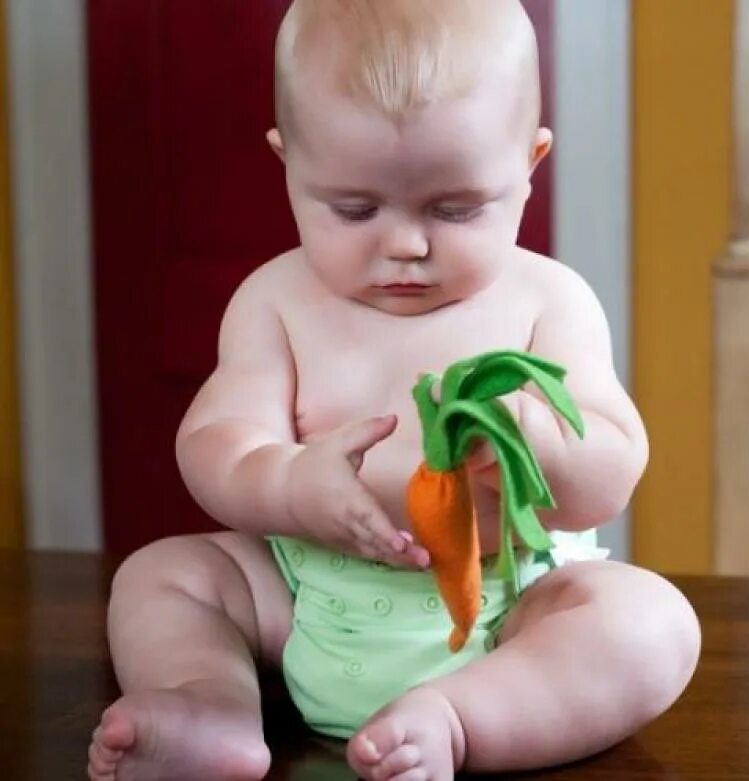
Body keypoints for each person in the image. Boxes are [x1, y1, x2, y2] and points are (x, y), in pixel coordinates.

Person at [87, 1, 701, 779]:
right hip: (310, 589)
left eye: (455, 209)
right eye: (354, 208)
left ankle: (459, 718)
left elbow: (610, 471)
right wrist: (287, 481)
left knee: (651, 621)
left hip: (503, 606)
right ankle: (209, 706)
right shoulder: (274, 300)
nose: (405, 245)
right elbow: (214, 443)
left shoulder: (550, 300)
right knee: (162, 574)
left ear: (528, 165)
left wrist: (527, 439)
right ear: (289, 164)